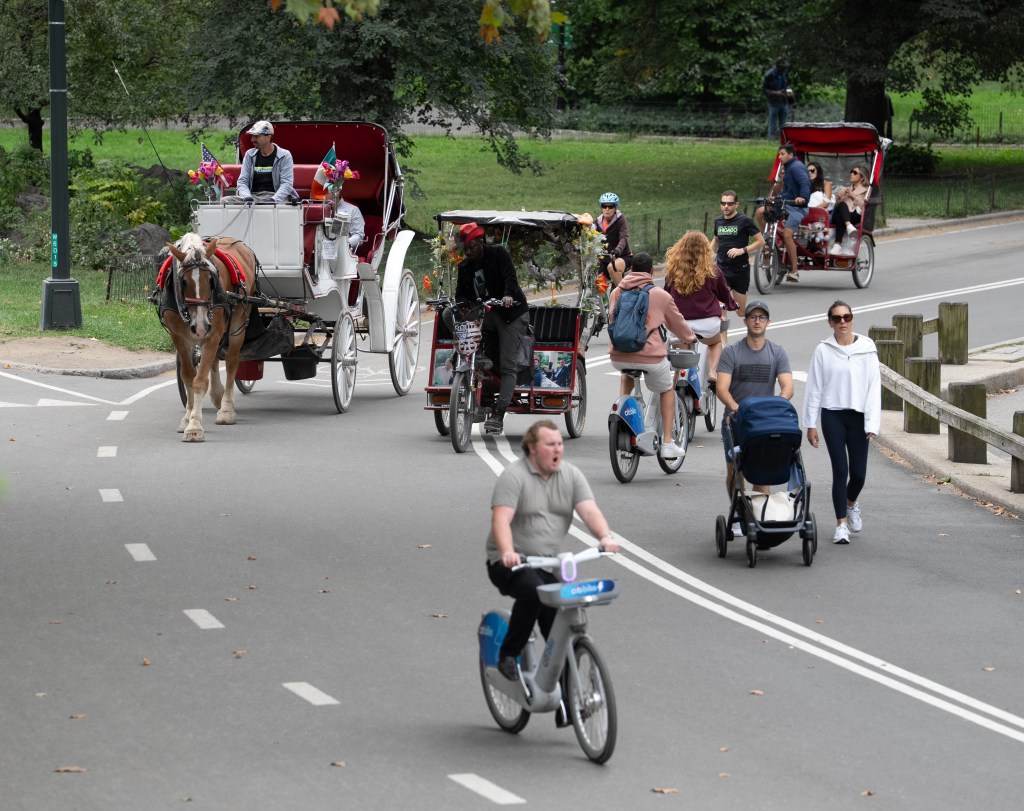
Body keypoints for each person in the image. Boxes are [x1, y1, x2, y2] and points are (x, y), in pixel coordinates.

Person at [486, 420, 618, 683]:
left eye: (559, 444)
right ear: (533, 449)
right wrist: (508, 551)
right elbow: (501, 520)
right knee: (534, 595)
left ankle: (567, 701)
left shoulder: (570, 475)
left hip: (546, 565)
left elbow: (589, 511)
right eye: (550, 444)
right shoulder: (514, 476)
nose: (558, 448)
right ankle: (508, 655)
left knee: (558, 622)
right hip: (511, 563)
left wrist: (605, 536)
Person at [801, 301, 881, 545]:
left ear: (852, 319)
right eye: (837, 319)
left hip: (858, 417)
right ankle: (841, 525)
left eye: (846, 317)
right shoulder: (823, 350)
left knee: (858, 475)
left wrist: (872, 423)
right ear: (830, 322)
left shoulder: (867, 348)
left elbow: (873, 388)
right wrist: (810, 424)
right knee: (840, 471)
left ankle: (851, 503)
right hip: (832, 415)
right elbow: (814, 388)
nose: (842, 322)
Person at [608, 252, 697, 460]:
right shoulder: (660, 295)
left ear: (630, 270)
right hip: (649, 357)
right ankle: (667, 442)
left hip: (618, 356)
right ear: (651, 271)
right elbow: (678, 325)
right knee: (666, 389)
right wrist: (690, 337)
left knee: (627, 372)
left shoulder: (616, 293)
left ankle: (625, 415)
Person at [716, 300, 794, 529]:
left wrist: (779, 405)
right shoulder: (732, 351)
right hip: (736, 420)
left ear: (768, 322)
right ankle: (739, 513)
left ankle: (761, 515)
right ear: (746, 321)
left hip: (764, 422)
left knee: (764, 469)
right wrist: (735, 406)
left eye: (762, 317)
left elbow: (787, 386)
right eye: (753, 317)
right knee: (735, 470)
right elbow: (722, 388)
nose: (757, 321)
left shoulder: (777, 352)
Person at [455, 221, 530, 434]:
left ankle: (498, 415)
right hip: (486, 313)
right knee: (451, 316)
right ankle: (473, 356)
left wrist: (507, 296)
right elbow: (461, 294)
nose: (468, 252)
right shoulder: (464, 266)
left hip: (510, 314)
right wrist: (461, 305)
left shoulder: (498, 255)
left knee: (508, 365)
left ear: (481, 242)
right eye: (465, 249)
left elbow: (510, 279)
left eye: (472, 247)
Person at [663, 231, 739, 387]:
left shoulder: (672, 273)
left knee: (682, 360)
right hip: (707, 325)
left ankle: (678, 380)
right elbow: (724, 294)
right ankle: (712, 372)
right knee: (715, 343)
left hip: (680, 325)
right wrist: (732, 305)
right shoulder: (713, 272)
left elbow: (665, 295)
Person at [756, 144, 810, 283]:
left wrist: (803, 197)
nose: (779, 157)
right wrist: (780, 180)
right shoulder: (786, 169)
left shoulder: (797, 167)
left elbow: (805, 182)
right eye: (779, 154)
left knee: (787, 234)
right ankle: (767, 240)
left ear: (791, 155)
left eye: (782, 154)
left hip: (798, 207)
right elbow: (777, 191)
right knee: (761, 211)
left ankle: (794, 271)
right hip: (785, 204)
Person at [710, 190, 764, 318]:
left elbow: (761, 241)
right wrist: (707, 255)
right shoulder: (718, 221)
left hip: (740, 270)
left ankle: (750, 334)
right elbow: (716, 239)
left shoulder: (745, 220)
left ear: (736, 204)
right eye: (723, 203)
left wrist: (742, 250)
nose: (726, 206)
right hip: (722, 269)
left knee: (740, 312)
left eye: (729, 203)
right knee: (721, 309)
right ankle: (723, 338)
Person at [229, 121, 297, 204]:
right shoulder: (249, 155)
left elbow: (286, 184)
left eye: (256, 136)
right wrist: (247, 197)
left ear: (268, 137)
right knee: (225, 201)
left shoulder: (284, 155)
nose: (252, 139)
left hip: (276, 197)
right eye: (252, 136)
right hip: (253, 196)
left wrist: (273, 200)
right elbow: (242, 181)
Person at [829, 165, 870, 256]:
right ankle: (848, 226)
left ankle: (837, 246)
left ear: (862, 177)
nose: (851, 174)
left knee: (840, 215)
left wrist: (852, 195)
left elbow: (863, 205)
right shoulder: (847, 188)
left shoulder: (866, 190)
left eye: (855, 173)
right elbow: (836, 206)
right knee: (841, 207)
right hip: (845, 216)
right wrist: (839, 197)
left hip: (854, 215)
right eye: (851, 172)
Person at [594, 192, 631, 286]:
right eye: (604, 206)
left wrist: (617, 250)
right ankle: (601, 300)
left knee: (612, 268)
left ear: (615, 208)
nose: (607, 209)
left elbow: (624, 237)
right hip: (605, 258)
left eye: (610, 206)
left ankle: (621, 293)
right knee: (598, 284)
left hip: (622, 256)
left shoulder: (620, 219)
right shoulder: (598, 222)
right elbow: (590, 235)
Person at [763, 57, 794, 139]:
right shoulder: (769, 74)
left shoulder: (784, 73)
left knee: (784, 123)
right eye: (783, 67)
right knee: (773, 123)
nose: (784, 69)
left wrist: (789, 91)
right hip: (773, 102)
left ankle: (784, 139)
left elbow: (787, 85)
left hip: (784, 101)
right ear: (778, 66)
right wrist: (775, 93)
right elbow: (764, 90)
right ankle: (771, 139)